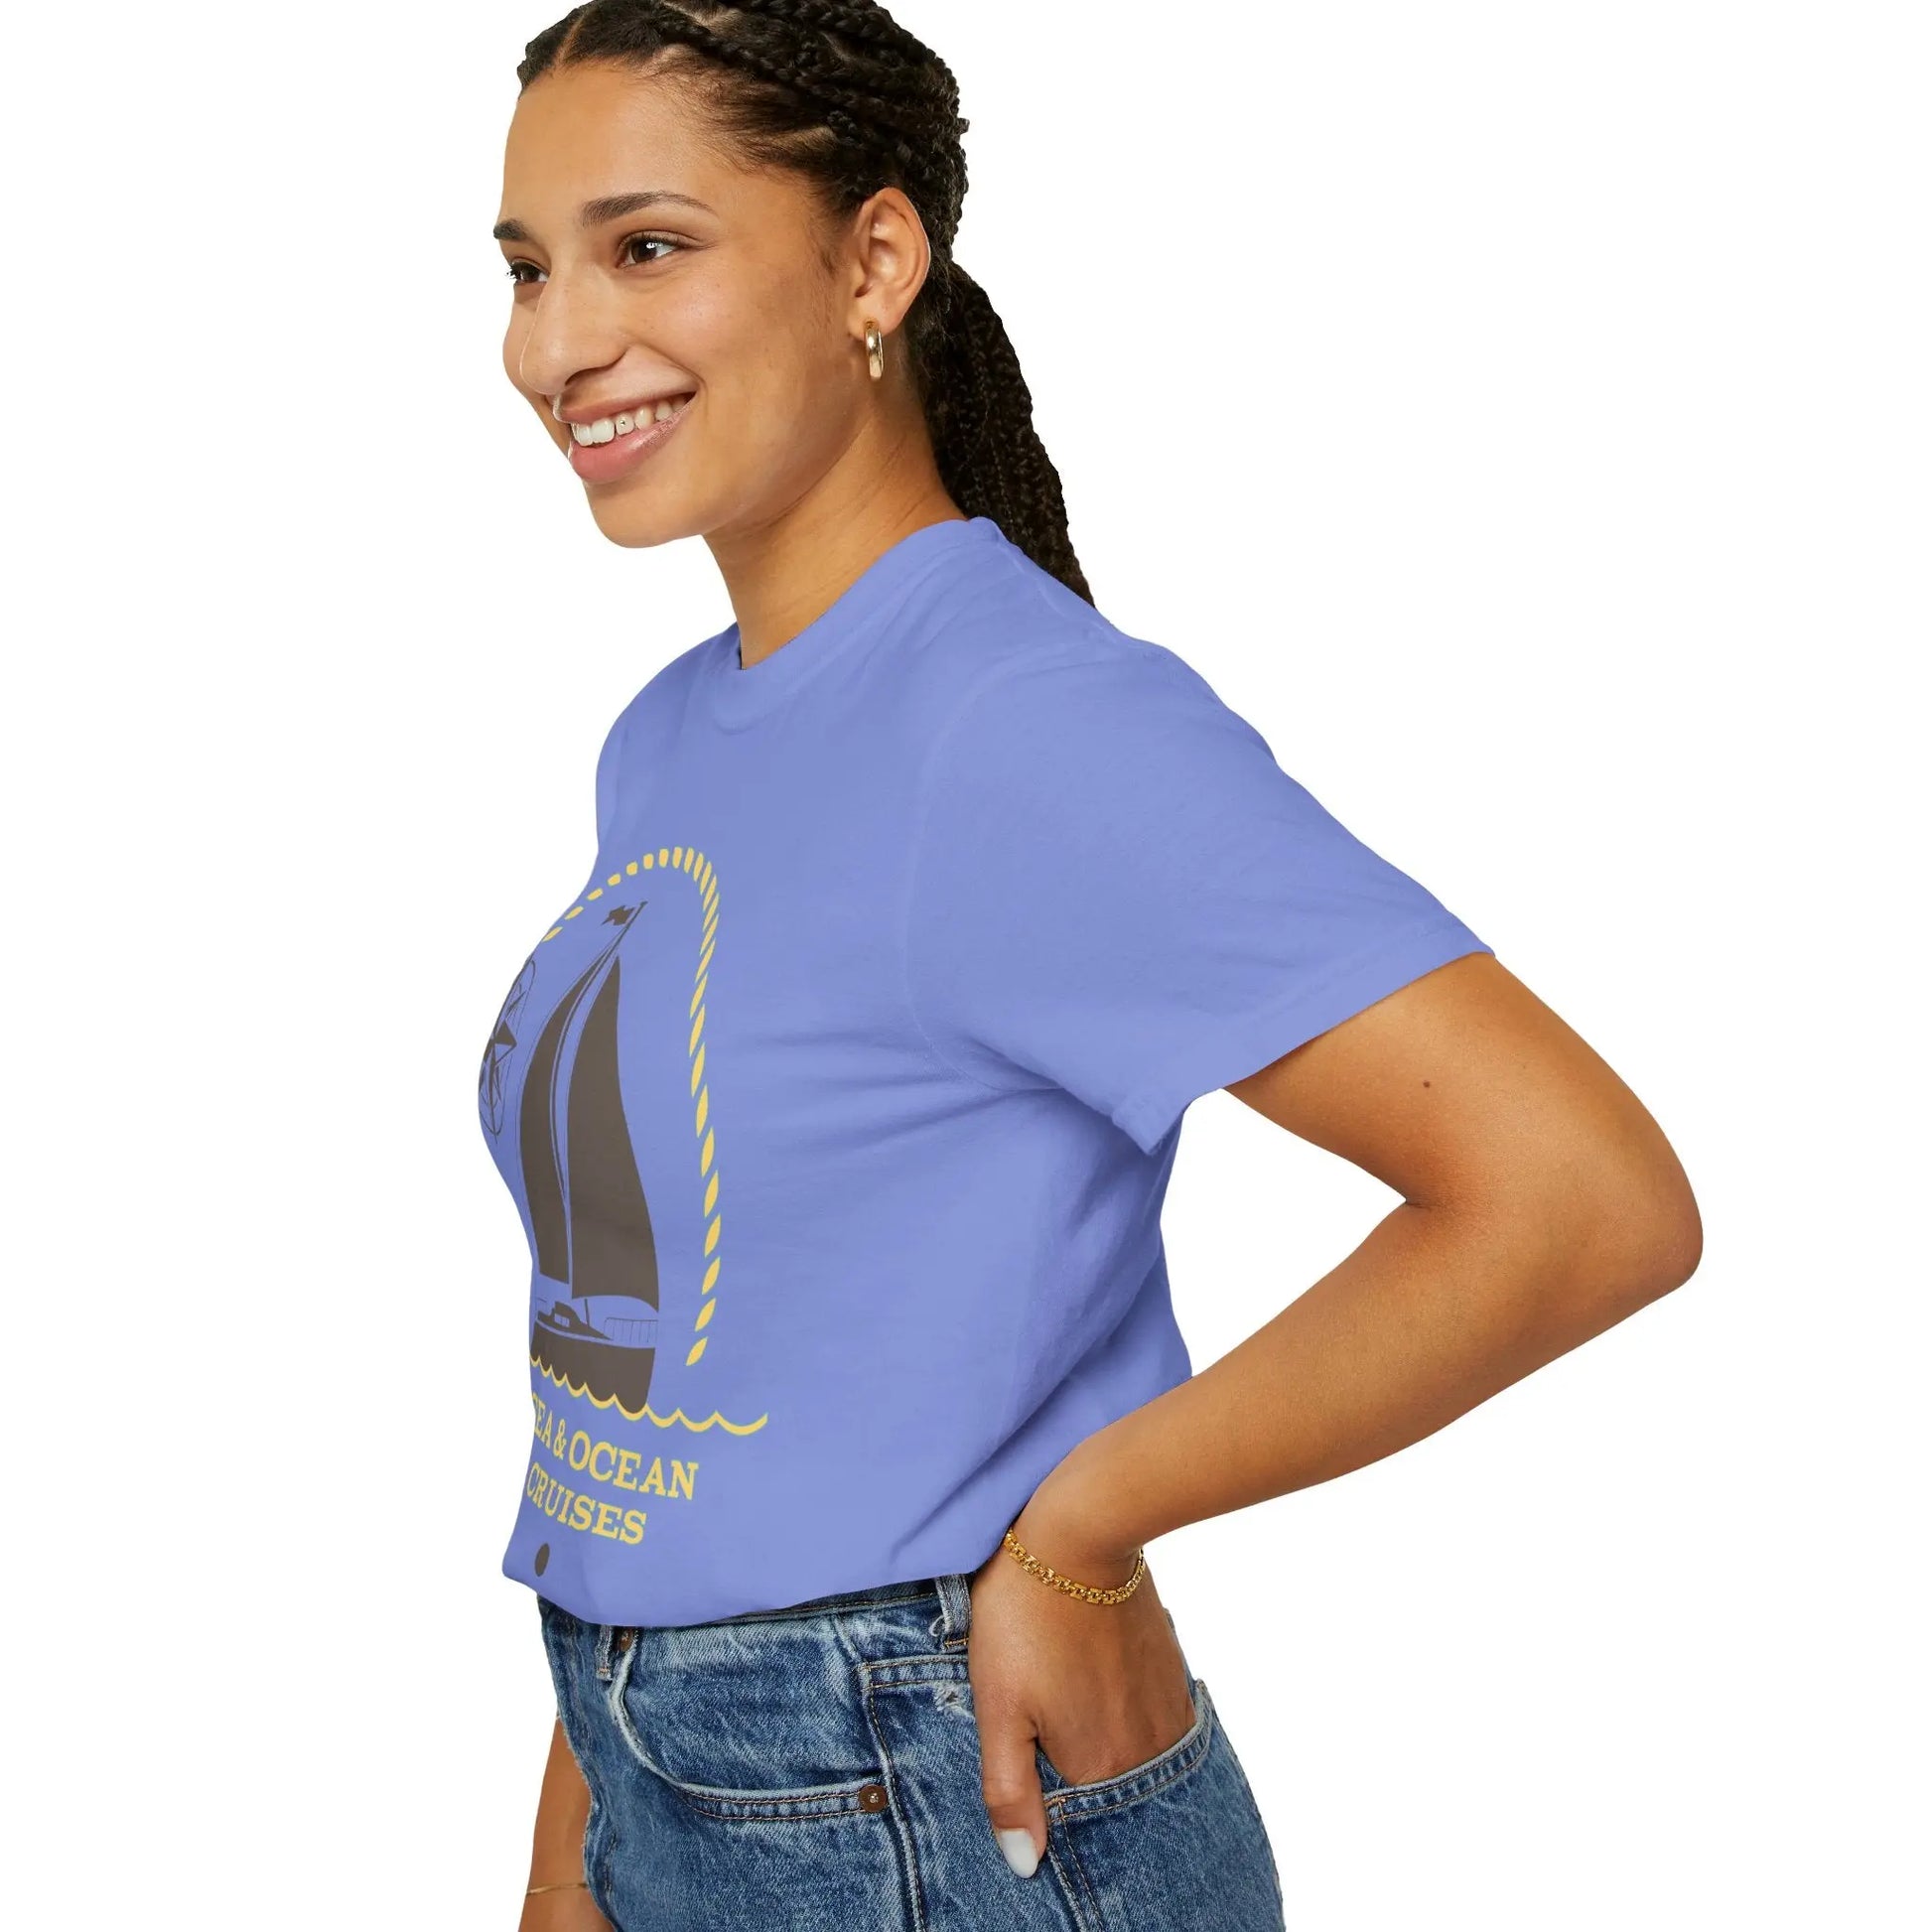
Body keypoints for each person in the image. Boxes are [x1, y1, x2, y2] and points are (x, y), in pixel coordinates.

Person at [479, 6, 1703, 1928]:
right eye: (526, 268)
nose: (557, 343)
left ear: (875, 262)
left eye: (646, 247)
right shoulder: (670, 736)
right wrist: (579, 1845)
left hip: (933, 1799)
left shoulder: (1019, 722)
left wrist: (1085, 1523)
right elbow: (694, 1364)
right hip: (660, 1770)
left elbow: (1581, 1197)